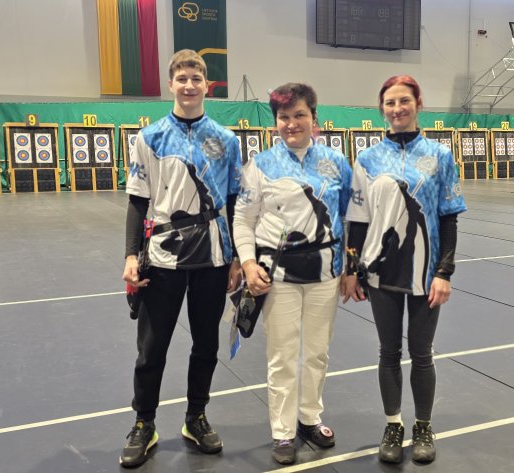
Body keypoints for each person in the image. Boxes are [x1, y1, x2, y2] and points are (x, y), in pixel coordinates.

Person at [119, 49, 243, 468]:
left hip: (213, 256)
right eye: (182, 79)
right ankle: (144, 423)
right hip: (162, 257)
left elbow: (234, 202)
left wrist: (237, 258)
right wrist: (131, 255)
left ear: (207, 85)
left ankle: (196, 417)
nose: (189, 85)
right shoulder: (150, 137)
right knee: (152, 347)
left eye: (196, 78)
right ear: (170, 84)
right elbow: (138, 200)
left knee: (206, 344)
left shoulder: (227, 140)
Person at [342, 75, 466, 464]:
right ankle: (393, 425)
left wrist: (444, 272)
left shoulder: (440, 155)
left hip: (426, 274)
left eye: (404, 101)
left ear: (418, 104)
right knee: (388, 352)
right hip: (381, 273)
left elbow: (448, 217)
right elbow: (358, 220)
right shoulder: (367, 159)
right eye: (390, 103)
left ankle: (423, 426)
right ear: (382, 109)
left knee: (422, 353)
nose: (397, 109)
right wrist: (352, 268)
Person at [232, 83, 352, 465]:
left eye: (300, 115)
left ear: (315, 119)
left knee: (317, 352)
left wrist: (350, 267)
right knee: (283, 356)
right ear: (275, 122)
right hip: (277, 277)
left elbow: (351, 217)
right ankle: (283, 432)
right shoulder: (260, 166)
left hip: (325, 274)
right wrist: (248, 264)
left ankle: (309, 418)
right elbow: (243, 220)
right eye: (284, 117)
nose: (291, 123)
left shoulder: (337, 163)